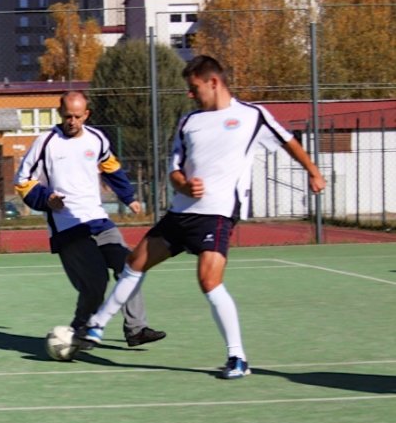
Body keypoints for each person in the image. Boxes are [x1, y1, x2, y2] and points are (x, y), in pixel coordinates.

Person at [80, 55, 326, 378]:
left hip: (217, 214)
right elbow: (174, 170)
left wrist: (312, 171)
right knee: (134, 262)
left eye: (194, 87)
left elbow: (289, 142)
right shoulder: (188, 122)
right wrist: (183, 184)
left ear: (213, 82)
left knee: (209, 281)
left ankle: (237, 358)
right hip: (181, 213)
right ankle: (97, 326)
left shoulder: (252, 116)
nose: (190, 94)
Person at [15, 90, 166, 351]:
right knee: (95, 283)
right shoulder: (46, 142)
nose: (72, 121)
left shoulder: (96, 139)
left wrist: (129, 197)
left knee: (130, 267)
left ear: (86, 114)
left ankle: (136, 329)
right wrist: (46, 198)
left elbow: (111, 167)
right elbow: (22, 181)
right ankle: (80, 331)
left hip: (98, 219)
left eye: (77, 116)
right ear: (60, 113)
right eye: (67, 116)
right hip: (67, 226)